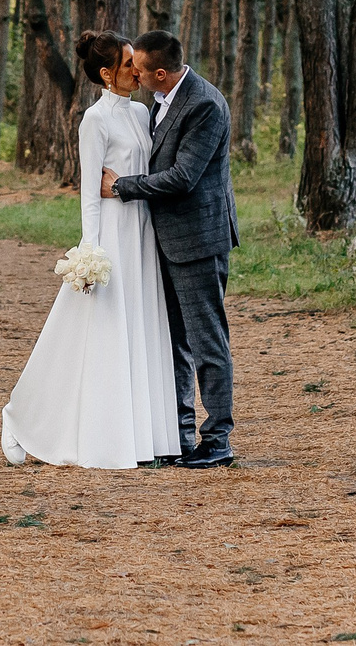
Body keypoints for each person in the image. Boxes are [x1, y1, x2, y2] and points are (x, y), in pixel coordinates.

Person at [0, 33, 180, 469]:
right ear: (106, 73)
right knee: (94, 330)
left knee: (137, 329)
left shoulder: (142, 111)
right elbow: (89, 192)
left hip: (142, 231)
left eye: (135, 63)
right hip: (113, 235)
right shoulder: (94, 120)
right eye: (126, 65)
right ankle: (20, 415)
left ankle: (141, 439)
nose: (136, 71)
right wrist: (90, 250)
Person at [101, 28, 237, 468]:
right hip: (165, 241)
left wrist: (122, 187)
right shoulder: (157, 102)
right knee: (173, 342)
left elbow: (183, 177)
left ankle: (218, 439)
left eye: (138, 69)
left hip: (198, 240)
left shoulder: (204, 105)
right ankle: (179, 434)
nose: (133, 76)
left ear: (160, 72)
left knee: (207, 341)